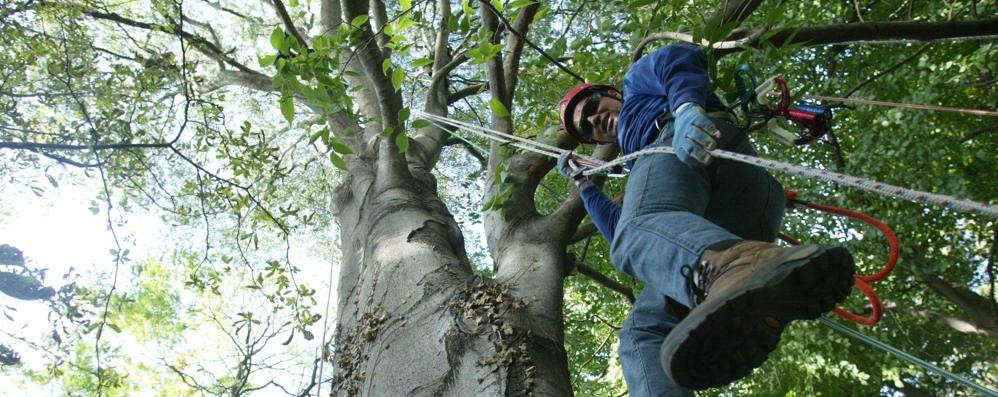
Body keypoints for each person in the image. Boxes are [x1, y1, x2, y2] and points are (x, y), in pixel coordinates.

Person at [556, 44, 856, 395]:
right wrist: (585, 186)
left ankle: (736, 265)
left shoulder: (636, 85)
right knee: (644, 329)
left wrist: (685, 109)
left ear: (611, 93)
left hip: (687, 142)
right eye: (587, 130)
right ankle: (745, 272)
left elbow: (676, 56)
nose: (594, 122)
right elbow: (626, 230)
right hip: (741, 210)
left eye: (592, 108)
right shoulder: (637, 162)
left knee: (635, 234)